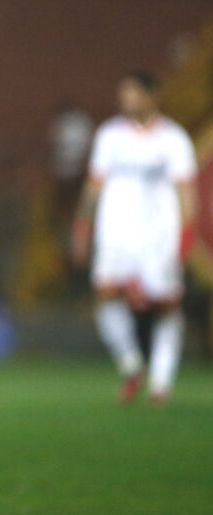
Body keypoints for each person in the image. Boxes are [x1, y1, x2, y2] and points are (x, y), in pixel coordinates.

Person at [72, 71, 197, 405]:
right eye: (122, 93)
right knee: (106, 296)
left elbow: (186, 191)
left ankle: (161, 382)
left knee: (167, 307)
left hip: (158, 238)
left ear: (151, 96)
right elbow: (94, 184)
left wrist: (186, 234)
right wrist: (82, 225)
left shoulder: (174, 140)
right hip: (116, 233)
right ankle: (131, 365)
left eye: (131, 93)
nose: (124, 99)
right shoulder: (110, 136)